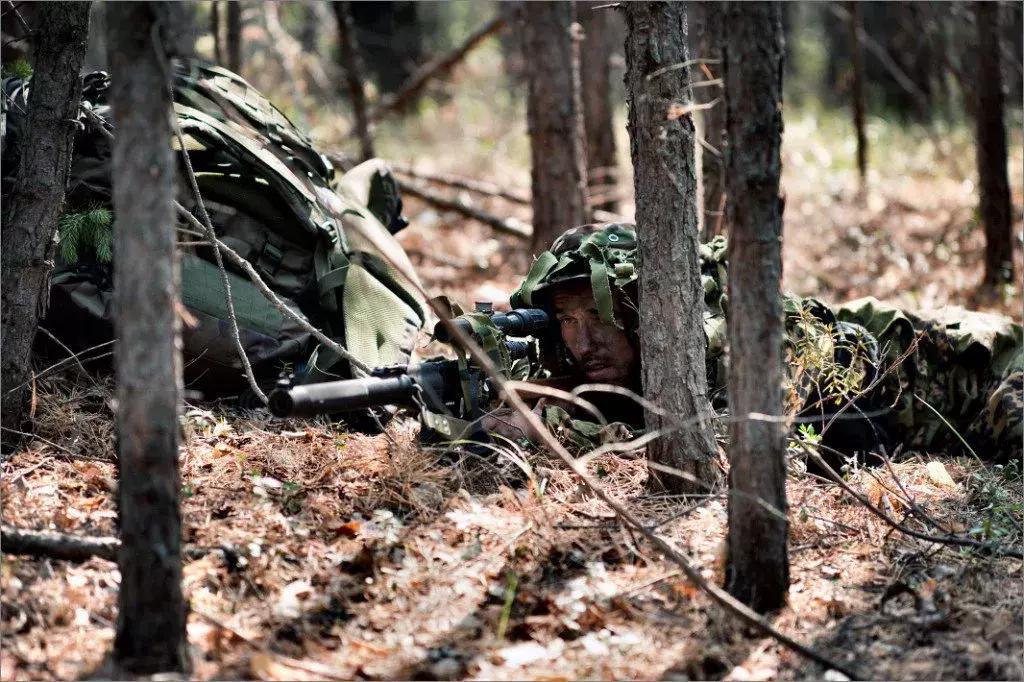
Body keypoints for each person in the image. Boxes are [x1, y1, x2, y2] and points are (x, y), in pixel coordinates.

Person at [484, 223, 1023, 464]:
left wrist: (552, 429)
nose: (581, 342)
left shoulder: (743, 345)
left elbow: (719, 445)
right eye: (566, 321)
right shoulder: (632, 367)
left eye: (597, 316)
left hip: (987, 368)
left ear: (641, 312)